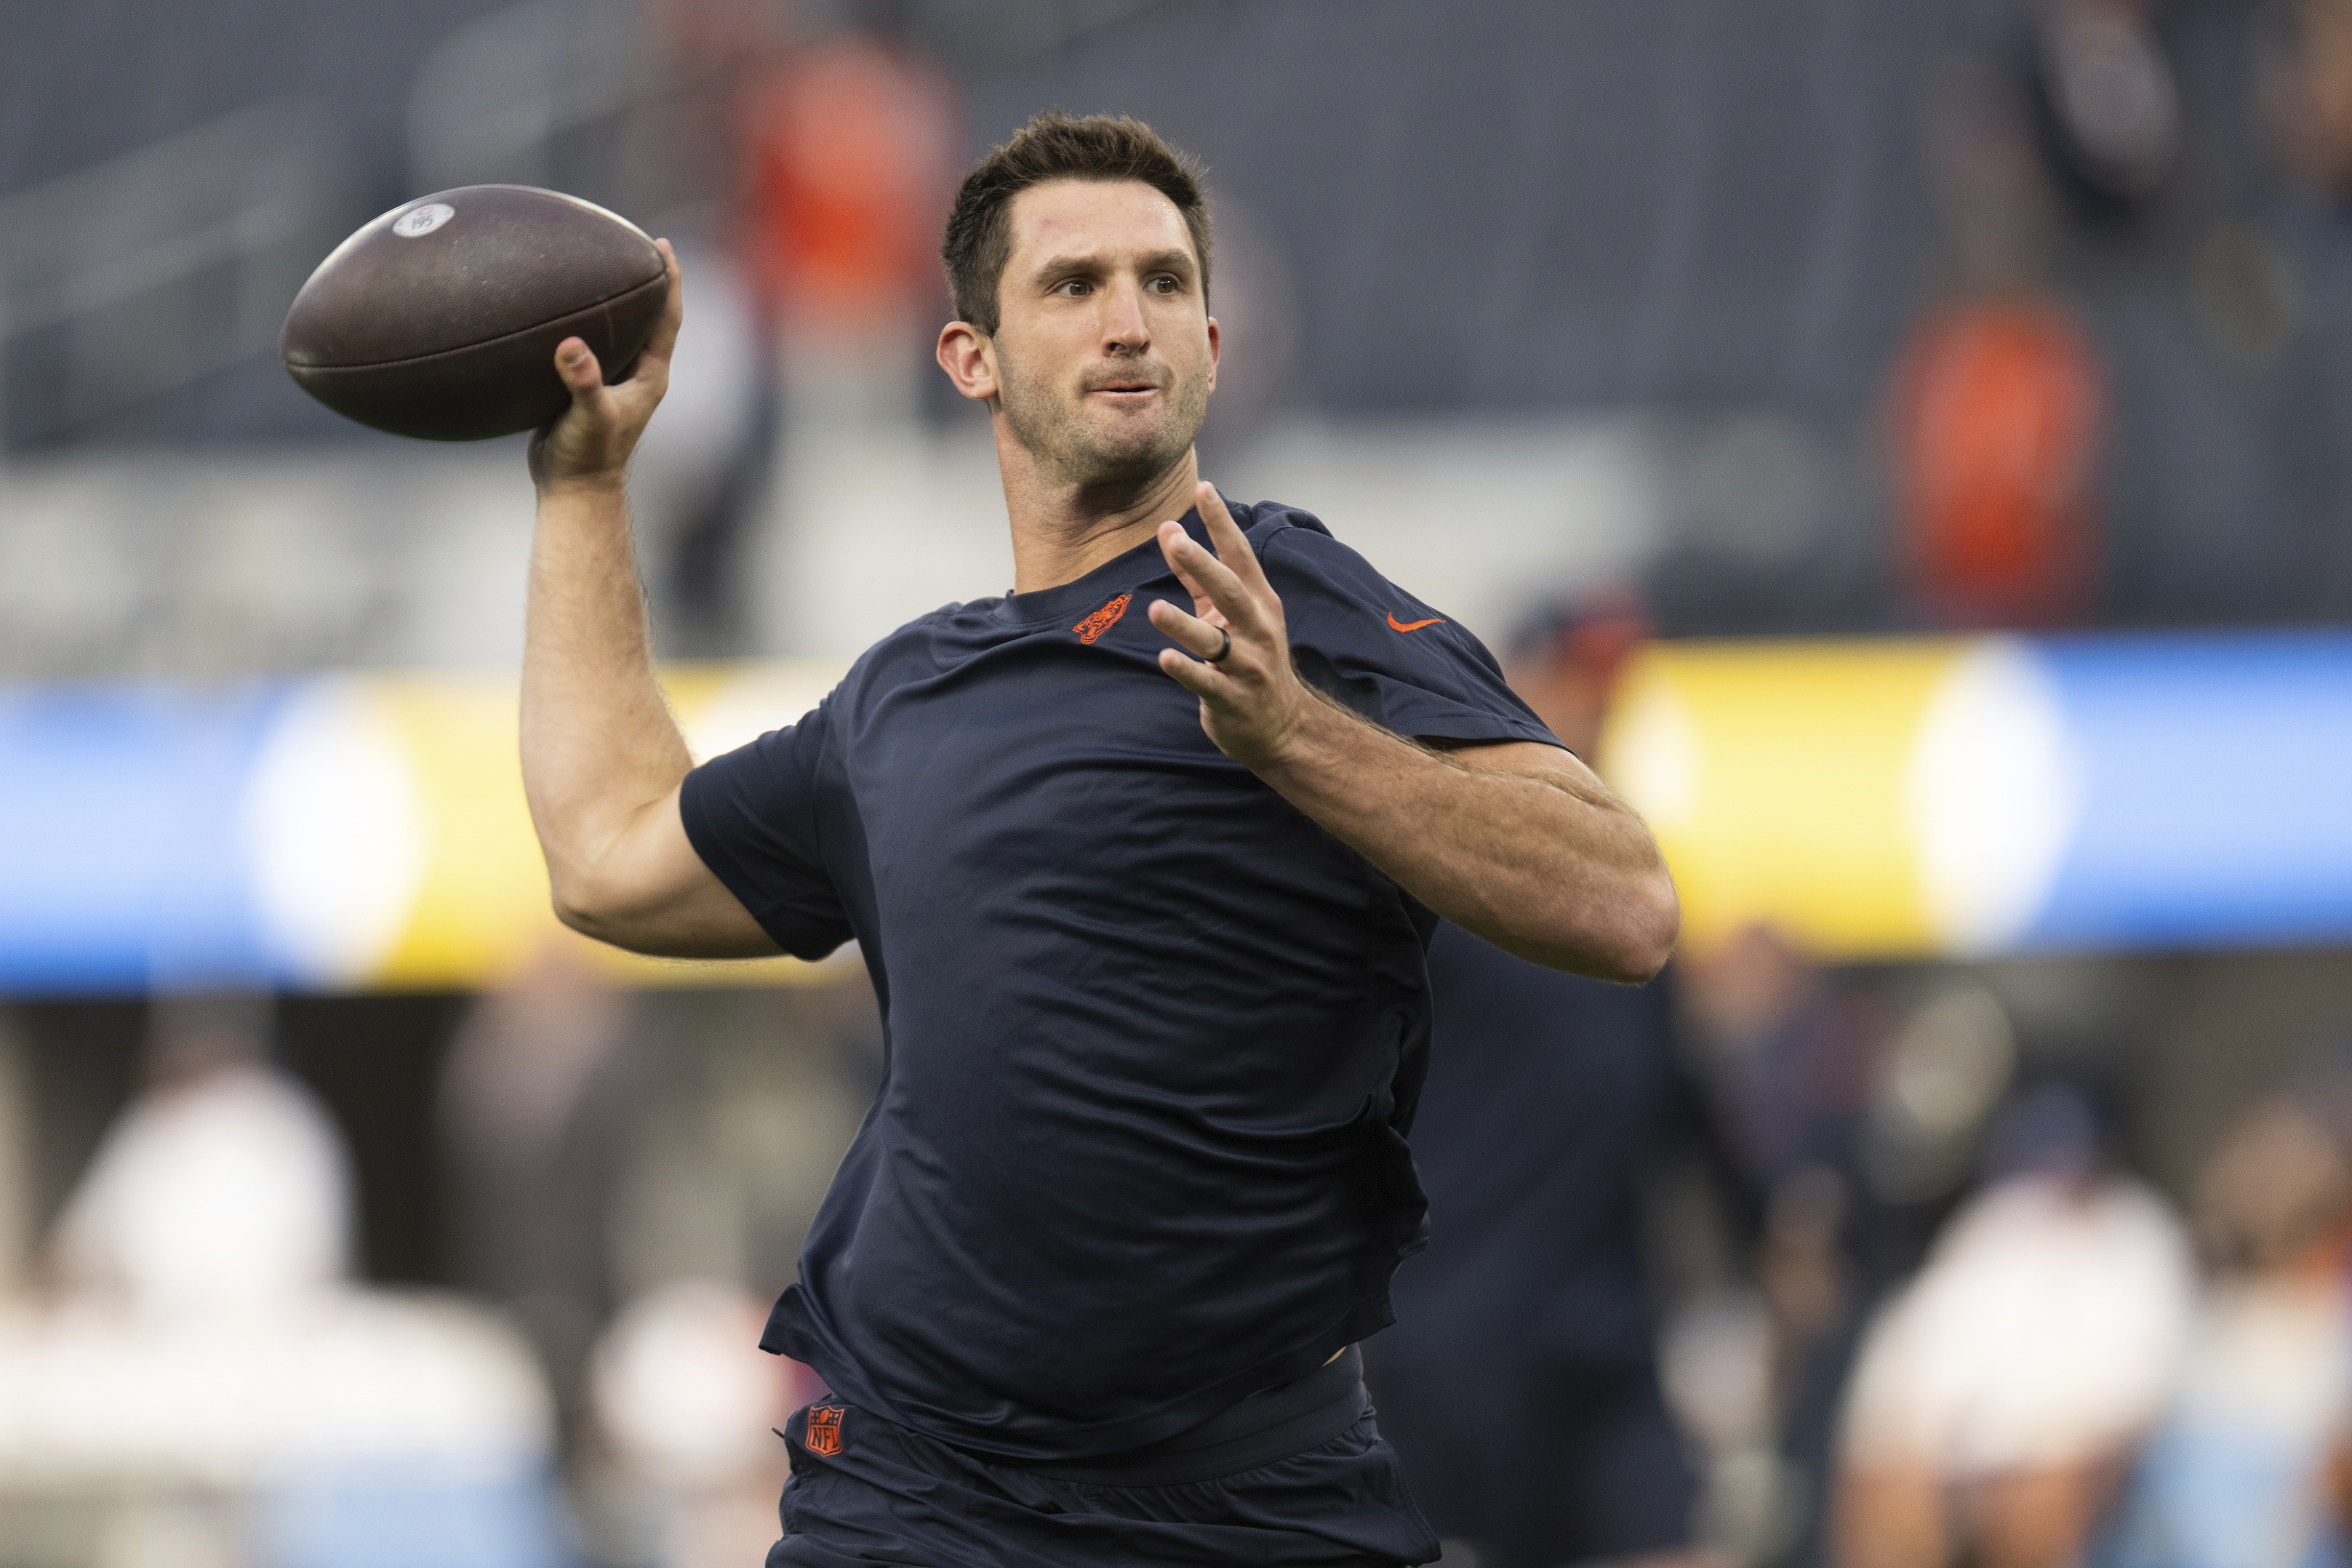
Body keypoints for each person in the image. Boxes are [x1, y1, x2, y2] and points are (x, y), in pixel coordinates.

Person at [516, 111, 1679, 1566]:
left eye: (1164, 282)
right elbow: (609, 857)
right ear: (972, 358)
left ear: (1212, 343)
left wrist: (1296, 734)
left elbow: (1624, 906)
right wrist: (584, 487)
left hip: (1243, 1498)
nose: (1129, 320)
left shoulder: (1284, 599)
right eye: (1074, 285)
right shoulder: (903, 699)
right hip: (919, 1495)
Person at [1367, 595, 1718, 1568]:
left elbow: (1674, 1095)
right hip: (1458, 1336)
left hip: (1606, 1330)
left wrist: (1771, 1222)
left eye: (1613, 687)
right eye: (1578, 680)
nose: (1600, 707)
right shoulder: (1436, 867)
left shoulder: (1630, 893)